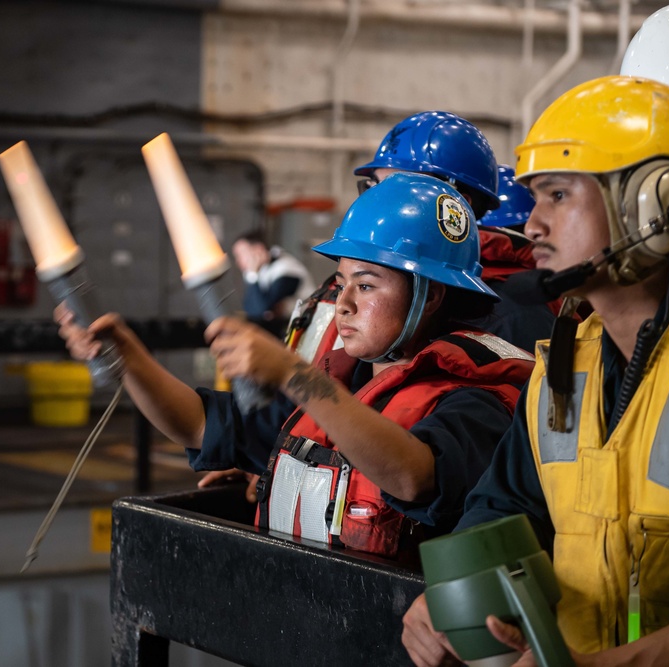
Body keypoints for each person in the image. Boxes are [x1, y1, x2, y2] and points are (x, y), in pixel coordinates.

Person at [58, 173, 534, 561]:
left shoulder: (479, 398)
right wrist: (128, 358)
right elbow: (199, 424)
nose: (342, 304)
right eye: (341, 281)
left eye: (367, 286)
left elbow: (414, 475)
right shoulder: (338, 386)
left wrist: (292, 374)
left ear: (431, 295)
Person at [401, 75, 669, 664]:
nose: (531, 225)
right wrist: (453, 595)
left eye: (558, 196)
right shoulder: (565, 364)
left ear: (657, 203)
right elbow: (508, 506)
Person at [353, 111, 557, 353]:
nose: (375, 205)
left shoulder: (510, 314)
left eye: (400, 192)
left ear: (457, 208)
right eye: (374, 188)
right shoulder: (371, 287)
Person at [231, 229, 315, 333]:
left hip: (303, 327)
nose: (238, 261)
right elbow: (249, 309)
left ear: (258, 250)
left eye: (241, 254)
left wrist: (253, 275)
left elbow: (260, 310)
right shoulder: (260, 269)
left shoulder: (287, 269)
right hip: (284, 327)